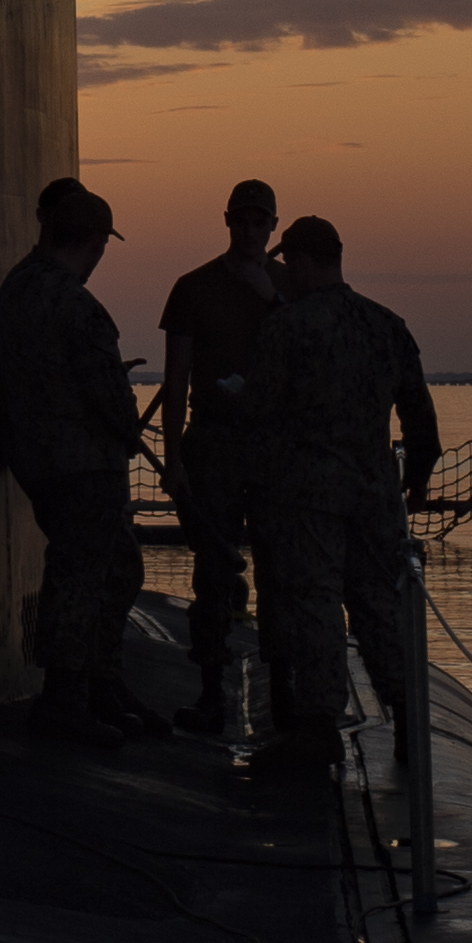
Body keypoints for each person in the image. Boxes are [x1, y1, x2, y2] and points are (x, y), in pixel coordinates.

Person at [242, 213, 442, 770]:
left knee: (316, 604)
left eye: (289, 265)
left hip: (309, 495)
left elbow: (259, 414)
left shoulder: (289, 327)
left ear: (304, 262)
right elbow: (420, 418)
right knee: (379, 606)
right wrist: (416, 477)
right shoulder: (387, 325)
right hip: (375, 494)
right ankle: (408, 718)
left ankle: (319, 724)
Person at [0, 179, 163, 746]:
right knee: (83, 577)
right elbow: (108, 401)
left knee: (112, 570)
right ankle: (66, 699)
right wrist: (122, 399)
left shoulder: (17, 289)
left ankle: (96, 684)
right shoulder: (77, 305)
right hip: (84, 465)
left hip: (38, 459)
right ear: (93, 242)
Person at [148, 177, 281, 735]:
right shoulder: (194, 289)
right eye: (241, 221)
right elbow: (176, 380)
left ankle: (287, 694)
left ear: (272, 227)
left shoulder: (288, 289)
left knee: (281, 569)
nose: (249, 231)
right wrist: (174, 459)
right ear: (227, 221)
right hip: (215, 445)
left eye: (259, 222)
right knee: (213, 570)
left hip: (274, 449)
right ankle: (209, 691)